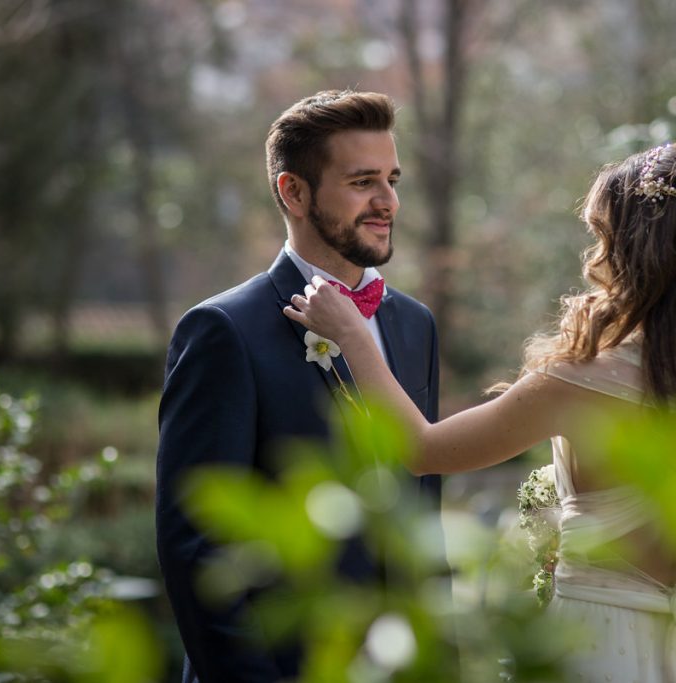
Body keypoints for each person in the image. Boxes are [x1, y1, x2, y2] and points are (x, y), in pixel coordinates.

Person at [287, 141, 676, 682]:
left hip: (598, 644)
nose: (596, 255)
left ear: (634, 250)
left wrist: (353, 336)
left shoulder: (583, 381)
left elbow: (422, 450)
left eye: (603, 237)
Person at [156, 89, 442, 683]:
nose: (388, 201)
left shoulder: (415, 325)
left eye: (392, 178)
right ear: (294, 192)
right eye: (363, 181)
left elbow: (423, 516)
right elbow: (198, 550)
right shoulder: (222, 331)